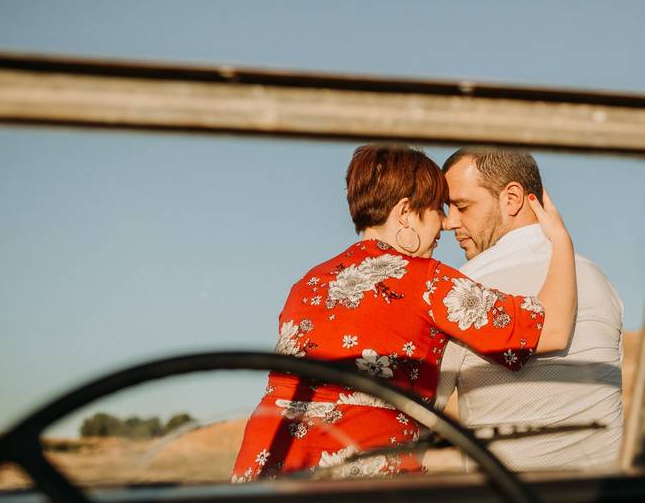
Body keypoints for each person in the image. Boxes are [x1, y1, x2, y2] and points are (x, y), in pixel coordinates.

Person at [231, 144, 577, 481]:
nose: (444, 224)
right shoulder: (424, 280)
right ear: (406, 213)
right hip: (358, 474)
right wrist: (561, 241)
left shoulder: (307, 284)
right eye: (436, 209)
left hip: (264, 467)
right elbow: (552, 331)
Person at [436, 148, 624, 471]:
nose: (449, 222)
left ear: (511, 198)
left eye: (462, 206)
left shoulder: (462, 289)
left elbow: (419, 413)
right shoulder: (600, 282)